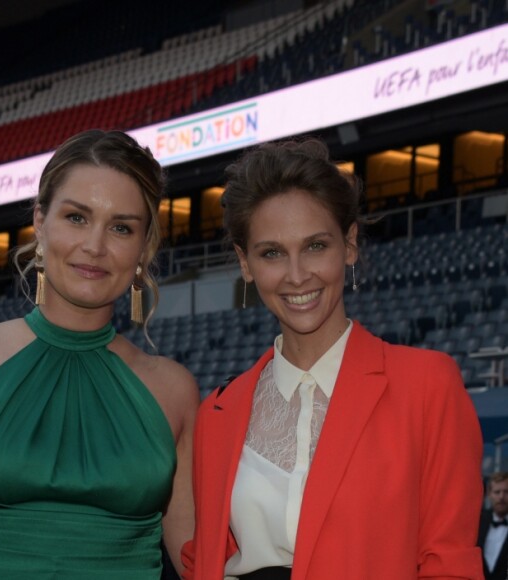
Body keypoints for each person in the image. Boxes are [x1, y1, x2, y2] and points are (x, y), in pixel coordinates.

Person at [181, 138, 484, 579]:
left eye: (316, 246)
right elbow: (204, 558)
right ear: (245, 264)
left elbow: (450, 564)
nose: (297, 274)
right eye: (271, 253)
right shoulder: (217, 413)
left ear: (350, 244)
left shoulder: (427, 385)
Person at [0, 129, 199, 579]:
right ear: (40, 220)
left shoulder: (174, 390)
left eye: (121, 227)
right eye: (76, 217)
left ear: (143, 245)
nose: (95, 245)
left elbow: (200, 563)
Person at [478, 472, 508, 579]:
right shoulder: (478, 522)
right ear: (489, 494)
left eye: (506, 492)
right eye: (497, 492)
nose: (501, 497)